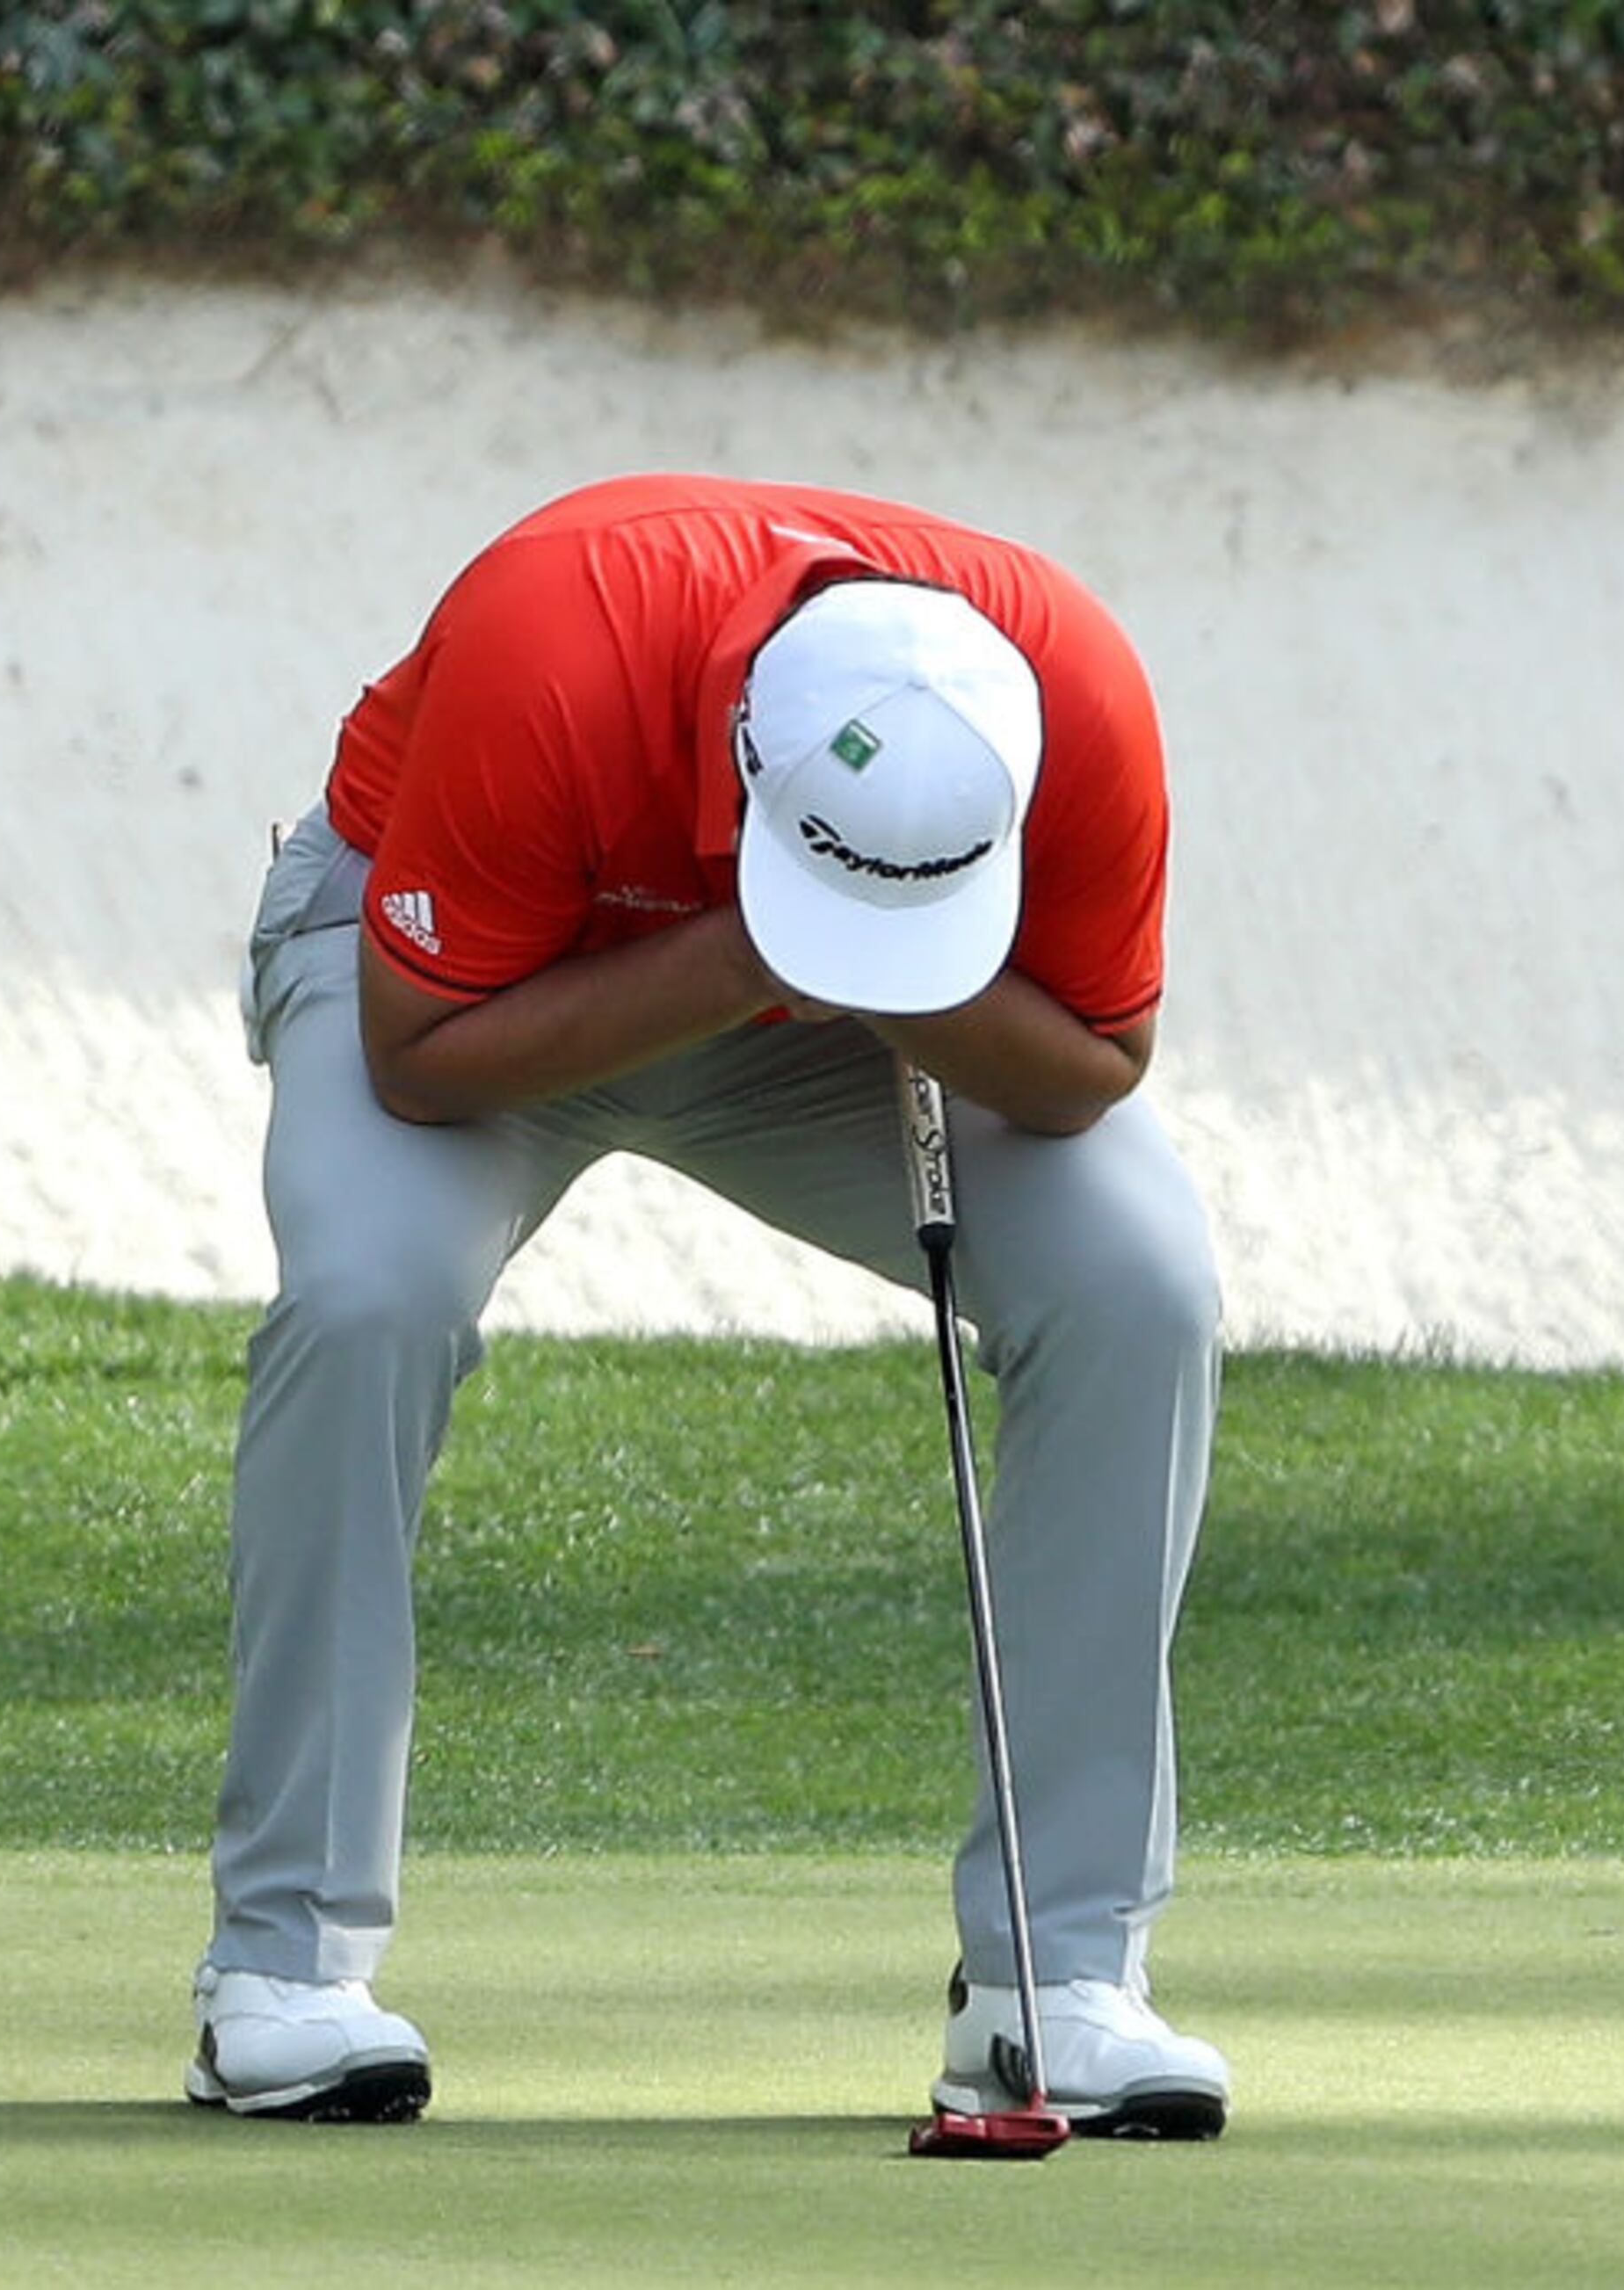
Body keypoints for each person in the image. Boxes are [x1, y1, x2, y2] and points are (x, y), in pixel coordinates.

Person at [183, 471, 1230, 2138]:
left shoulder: (1078, 693)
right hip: (468, 982)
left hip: (829, 1031)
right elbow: (418, 1053)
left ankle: (1061, 1981)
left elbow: (1096, 1064)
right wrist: (752, 954)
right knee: (368, 1294)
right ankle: (280, 1971)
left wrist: (883, 971)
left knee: (1142, 1288)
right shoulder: (562, 638)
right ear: (744, 756)